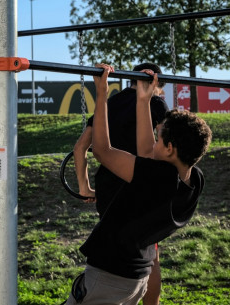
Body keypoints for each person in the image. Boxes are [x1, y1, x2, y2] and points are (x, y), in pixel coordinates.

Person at [64, 64, 212, 305]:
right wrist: (143, 102)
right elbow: (145, 151)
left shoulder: (155, 177)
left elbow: (101, 151)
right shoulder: (193, 179)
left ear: (170, 149)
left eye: (159, 135)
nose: (155, 138)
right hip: (137, 276)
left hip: (110, 275)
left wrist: (102, 94)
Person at [73, 63, 168, 304]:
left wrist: (84, 187)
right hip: (137, 183)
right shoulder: (155, 103)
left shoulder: (110, 103)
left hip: (107, 187)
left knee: (115, 246)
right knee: (148, 253)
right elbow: (160, 147)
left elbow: (80, 148)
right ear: (156, 85)